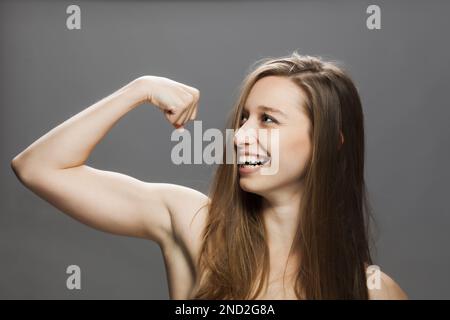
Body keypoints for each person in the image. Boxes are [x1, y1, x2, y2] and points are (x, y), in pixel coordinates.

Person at [11, 51, 408, 299]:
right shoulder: (196, 226)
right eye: (244, 118)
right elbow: (37, 167)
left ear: (328, 142)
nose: (241, 136)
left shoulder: (374, 291)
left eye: (268, 120)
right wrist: (140, 88)